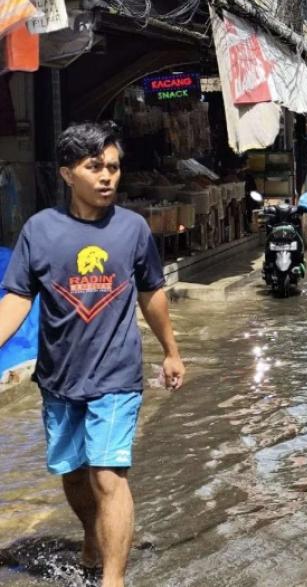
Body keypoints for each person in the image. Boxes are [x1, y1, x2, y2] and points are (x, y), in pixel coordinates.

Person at [0, 123, 185, 587]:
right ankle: (91, 534)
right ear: (67, 174)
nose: (107, 177)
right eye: (94, 167)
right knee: (73, 473)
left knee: (108, 474)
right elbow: (18, 298)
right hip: (59, 377)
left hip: (117, 375)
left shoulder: (133, 229)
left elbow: (152, 294)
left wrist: (171, 351)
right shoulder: (39, 231)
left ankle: (113, 579)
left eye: (113, 167)